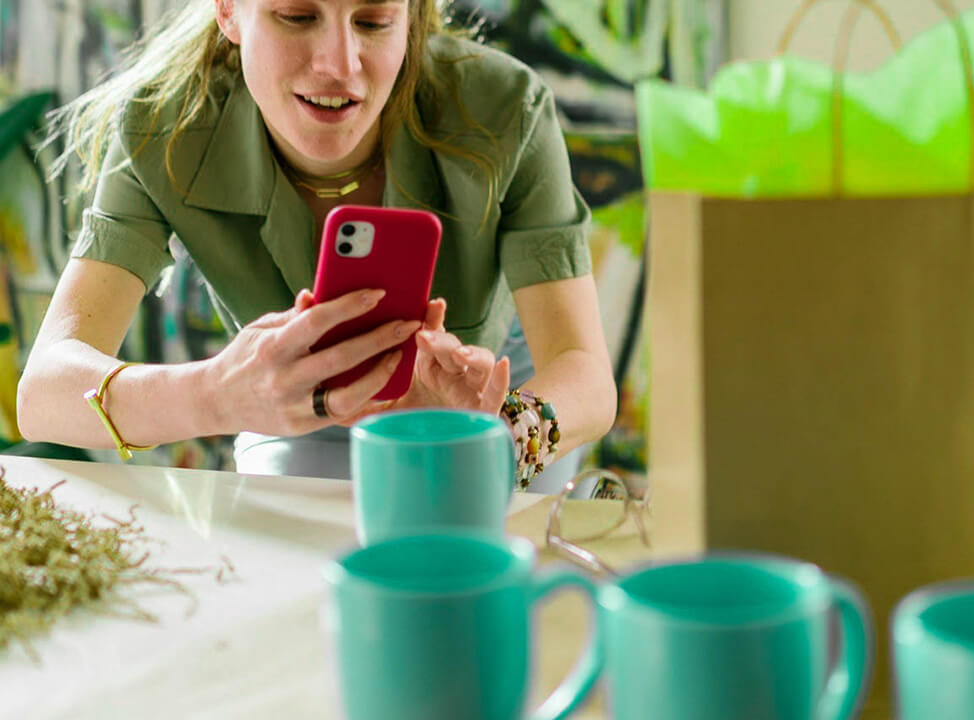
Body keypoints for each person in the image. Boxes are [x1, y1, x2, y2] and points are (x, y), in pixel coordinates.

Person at [15, 0, 616, 491]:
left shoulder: (505, 106)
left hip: (496, 405)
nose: (339, 65)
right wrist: (218, 396)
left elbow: (585, 375)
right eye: (298, 16)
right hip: (285, 407)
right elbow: (45, 393)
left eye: (373, 21)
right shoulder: (161, 126)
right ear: (228, 10)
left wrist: (498, 434)